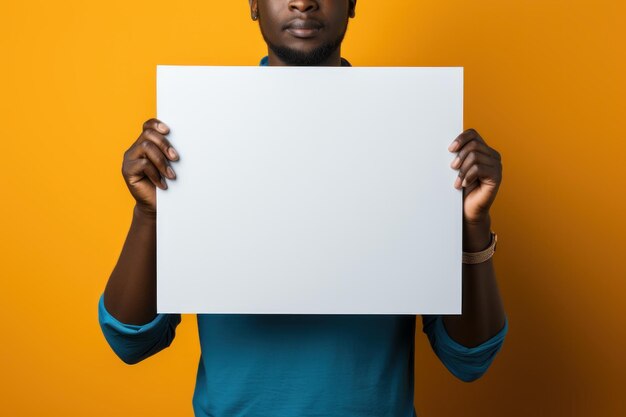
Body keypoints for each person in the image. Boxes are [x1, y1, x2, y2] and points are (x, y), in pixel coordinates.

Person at [98, 1, 508, 416]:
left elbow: (469, 358)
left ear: (351, 4)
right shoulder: (201, 128)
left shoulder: (414, 128)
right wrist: (149, 215)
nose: (302, 1)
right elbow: (131, 340)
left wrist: (473, 223)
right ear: (254, 5)